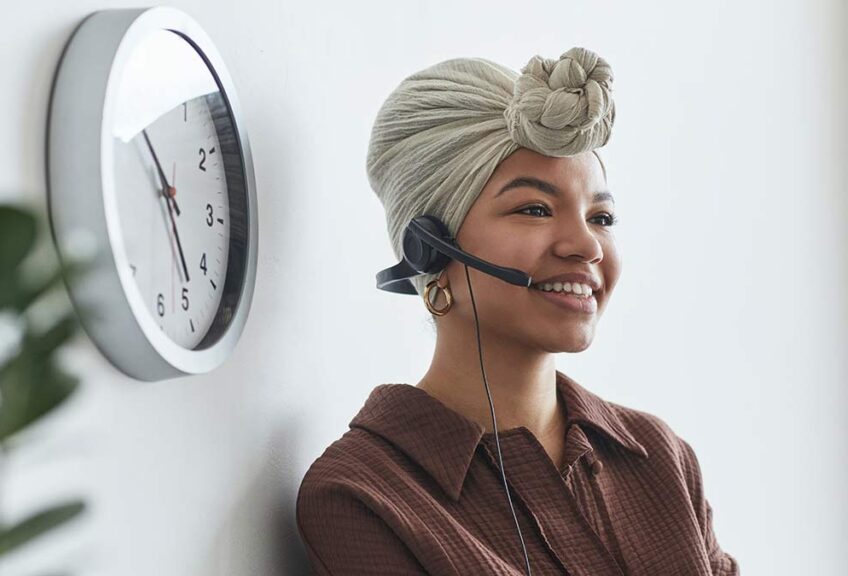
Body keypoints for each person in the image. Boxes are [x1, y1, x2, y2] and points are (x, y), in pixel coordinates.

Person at [295, 47, 740, 575]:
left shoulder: (660, 458)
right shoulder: (362, 495)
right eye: (535, 209)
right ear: (429, 250)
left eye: (602, 217)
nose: (587, 245)